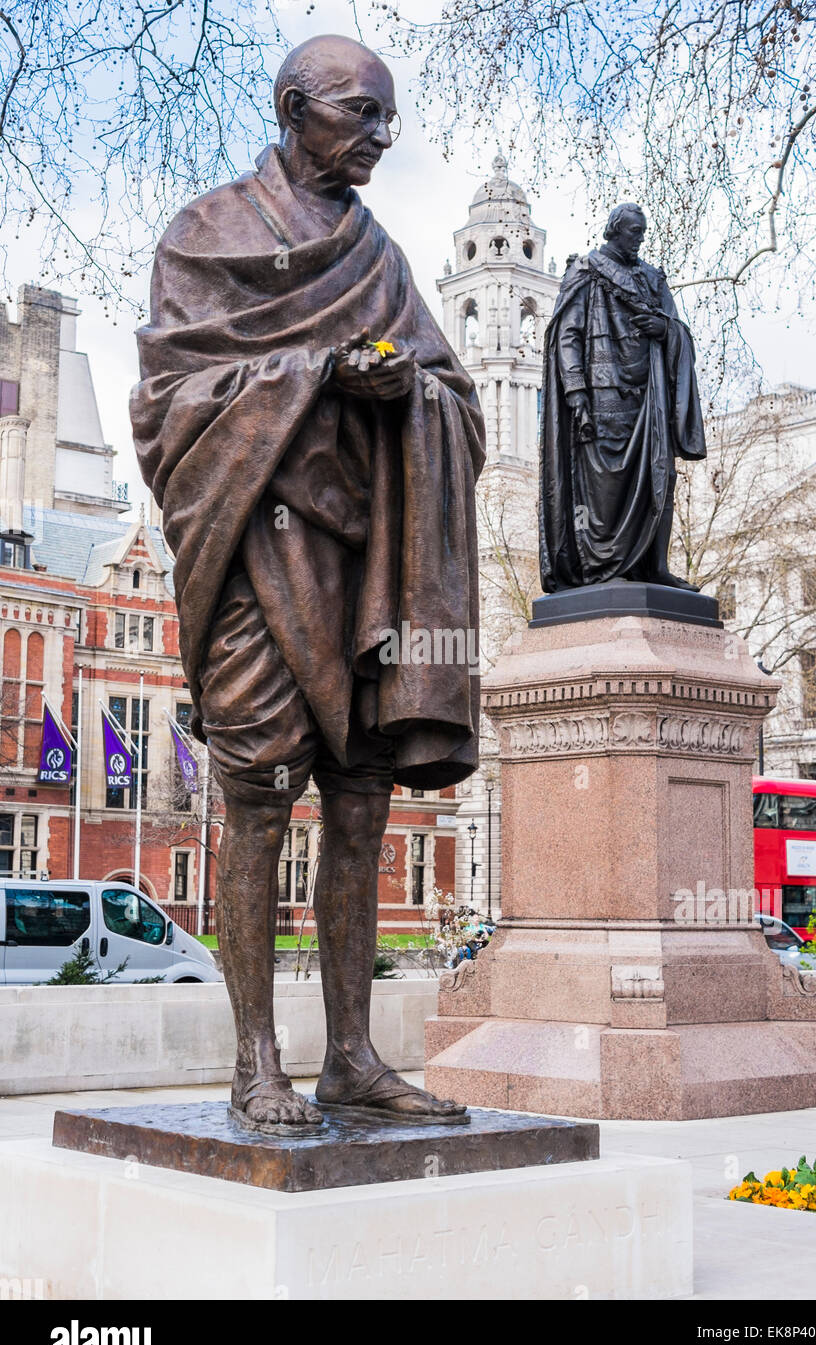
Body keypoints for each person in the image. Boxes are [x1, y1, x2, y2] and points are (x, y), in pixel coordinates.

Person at [130, 35, 484, 1129]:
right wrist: (315, 371)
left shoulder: (378, 255)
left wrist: (405, 392)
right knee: (254, 792)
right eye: (360, 115)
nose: (381, 137)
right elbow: (165, 402)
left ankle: (349, 1057)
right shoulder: (208, 232)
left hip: (364, 563)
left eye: (386, 120)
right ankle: (251, 1061)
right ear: (293, 108)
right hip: (258, 550)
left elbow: (456, 399)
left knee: (361, 799)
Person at [539, 202, 706, 591]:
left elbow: (678, 329)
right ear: (614, 230)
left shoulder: (652, 279)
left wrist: (663, 329)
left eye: (643, 233)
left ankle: (655, 567)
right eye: (634, 232)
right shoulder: (585, 272)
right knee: (604, 486)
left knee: (660, 475)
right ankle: (603, 567)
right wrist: (577, 392)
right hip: (603, 399)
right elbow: (567, 336)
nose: (640, 239)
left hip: (650, 400)